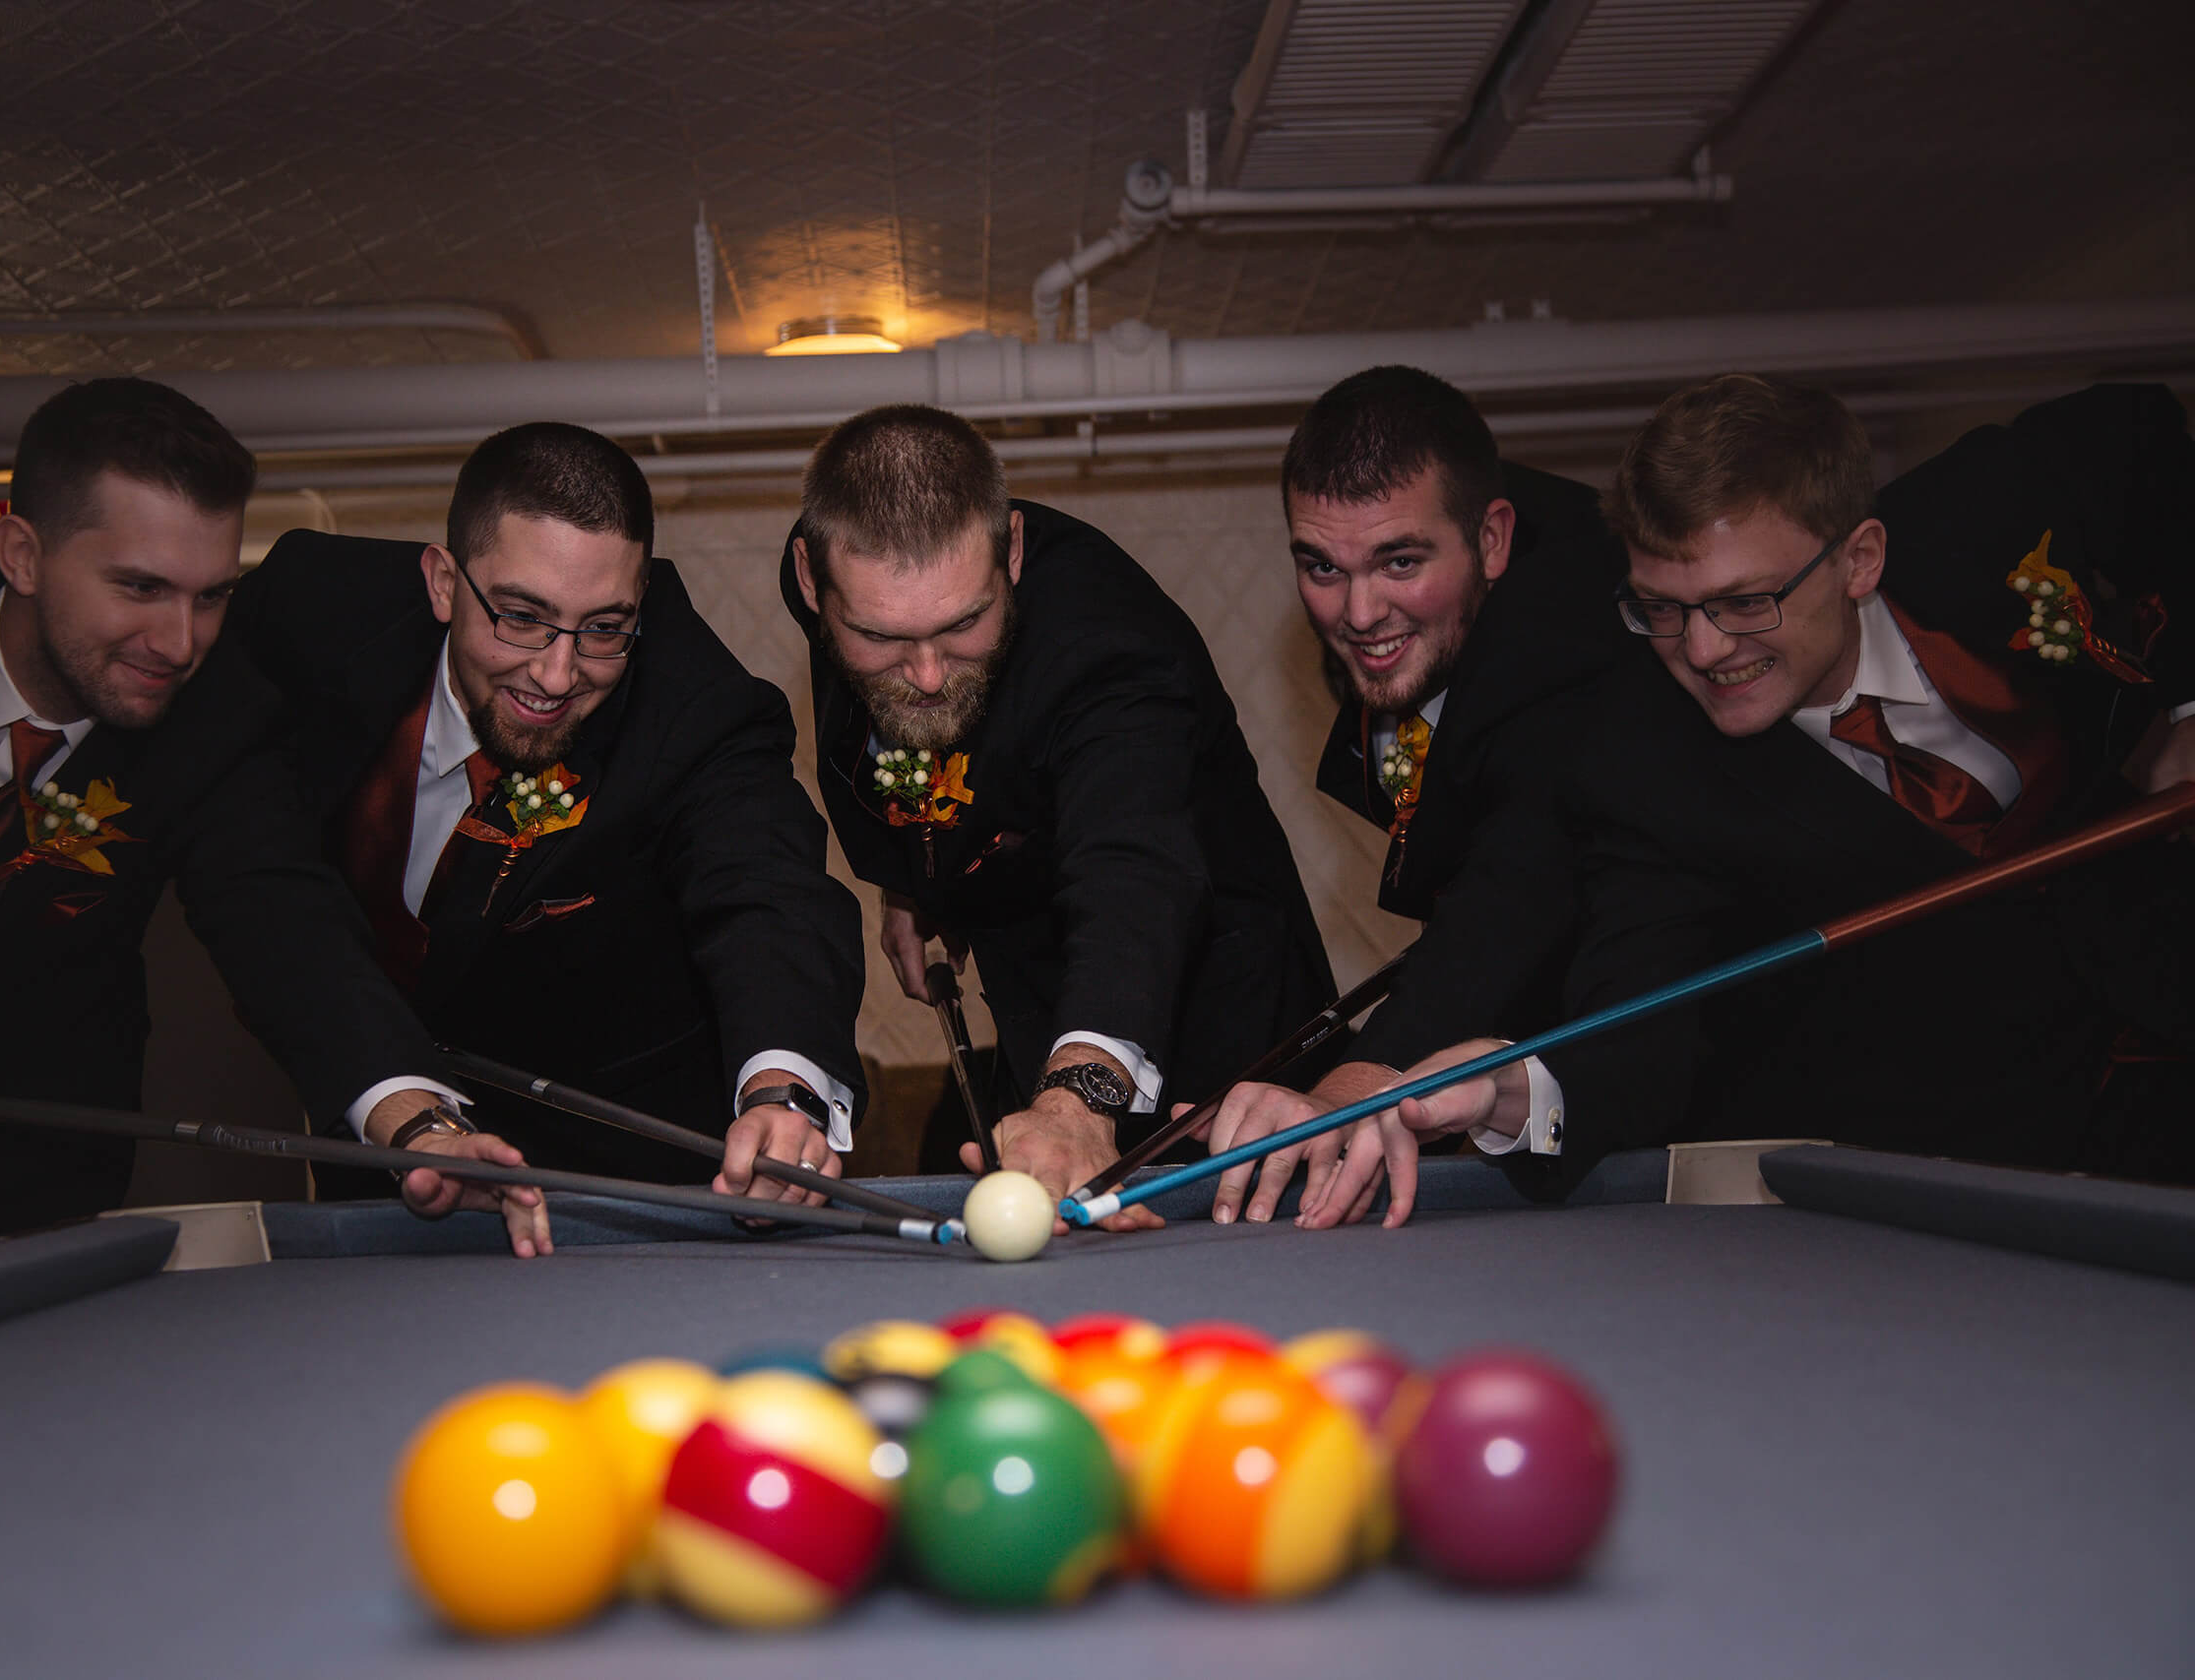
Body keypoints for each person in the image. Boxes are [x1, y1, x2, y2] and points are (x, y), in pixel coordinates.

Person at [0, 378, 501, 1299]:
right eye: (141, 587)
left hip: (1, 1181)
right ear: (22, 553)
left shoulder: (218, 717)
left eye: (212, 594)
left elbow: (287, 924)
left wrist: (414, 1121)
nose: (180, 641)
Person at [1368, 378, 2195, 1205]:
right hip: (2014, 1145)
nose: (1701, 648)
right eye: (1661, 607)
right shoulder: (1651, 772)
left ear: (1859, 559)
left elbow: (2148, 437)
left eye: (1742, 601)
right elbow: (1640, 1035)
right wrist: (1510, 1093)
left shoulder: (2002, 501)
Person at [229, 422, 866, 1210]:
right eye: (521, 617)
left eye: (604, 628)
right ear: (441, 582)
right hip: (379, 1134)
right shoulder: (303, 613)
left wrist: (785, 1093)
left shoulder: (688, 702)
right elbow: (250, 874)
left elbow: (769, 892)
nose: (558, 673)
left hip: (619, 1178)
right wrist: (400, 1110)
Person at [781, 403, 1335, 1225]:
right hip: (1031, 985)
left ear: (1011, 549)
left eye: (964, 622)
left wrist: (1079, 1096)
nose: (928, 674)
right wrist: (913, 878)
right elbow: (895, 739)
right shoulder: (838, 578)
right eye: (882, 636)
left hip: (1224, 1025)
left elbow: (1133, 867)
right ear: (808, 581)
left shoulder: (1109, 644)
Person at [1175, 366, 1638, 1227]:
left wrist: (1354, 1085)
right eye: (1321, 564)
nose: (1358, 610)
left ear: (1493, 541)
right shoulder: (1409, 634)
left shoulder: (1566, 643)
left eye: (1399, 561)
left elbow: (1517, 884)